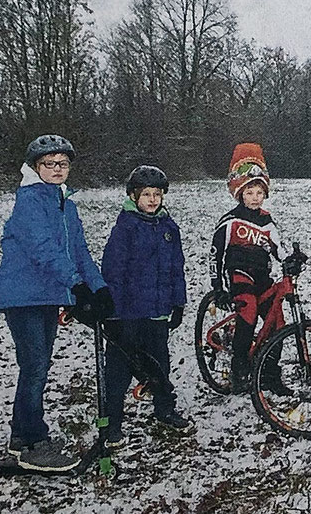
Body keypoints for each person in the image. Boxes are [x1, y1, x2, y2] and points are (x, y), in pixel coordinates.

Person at [0, 135, 114, 471]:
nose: (58, 169)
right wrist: (75, 284)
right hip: (23, 296)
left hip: (46, 295)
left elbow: (79, 253)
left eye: (63, 163)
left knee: (39, 366)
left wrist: (98, 287)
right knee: (34, 367)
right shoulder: (29, 201)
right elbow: (44, 250)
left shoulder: (66, 204)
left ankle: (30, 432)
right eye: (50, 163)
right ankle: (27, 442)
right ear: (36, 167)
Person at [100, 165, 190, 448]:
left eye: (157, 194)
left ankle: (164, 408)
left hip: (158, 310)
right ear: (133, 196)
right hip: (128, 313)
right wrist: (111, 313)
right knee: (120, 368)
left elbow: (177, 267)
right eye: (146, 194)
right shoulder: (125, 228)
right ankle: (112, 421)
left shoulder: (168, 227)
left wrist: (178, 302)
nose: (152, 200)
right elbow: (113, 272)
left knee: (159, 362)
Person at [209, 143, 287, 394]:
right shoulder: (230, 221)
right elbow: (215, 255)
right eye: (249, 192)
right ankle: (239, 366)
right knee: (249, 313)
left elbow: (278, 249)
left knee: (278, 323)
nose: (255, 198)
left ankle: (270, 374)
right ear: (240, 193)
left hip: (262, 276)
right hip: (239, 275)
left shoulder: (267, 221)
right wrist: (218, 287)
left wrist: (291, 259)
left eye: (259, 193)